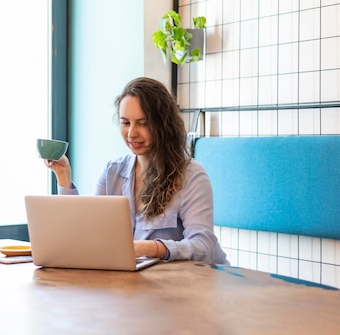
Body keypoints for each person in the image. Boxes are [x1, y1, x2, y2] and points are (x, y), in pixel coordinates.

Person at [44, 77, 227, 265]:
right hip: (138, 283)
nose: (132, 133)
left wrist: (150, 248)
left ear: (164, 125)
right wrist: (63, 176)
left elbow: (204, 247)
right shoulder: (112, 172)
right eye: (125, 123)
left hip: (191, 284)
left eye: (143, 123)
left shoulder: (192, 176)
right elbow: (84, 230)